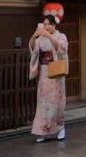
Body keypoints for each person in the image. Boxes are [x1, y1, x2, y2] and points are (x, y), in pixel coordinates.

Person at [29, 14, 69, 142]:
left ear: (53, 25)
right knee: (43, 102)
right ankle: (43, 131)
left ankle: (60, 128)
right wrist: (34, 36)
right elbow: (33, 49)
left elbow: (61, 50)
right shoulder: (41, 37)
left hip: (56, 72)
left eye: (47, 24)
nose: (45, 26)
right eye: (44, 24)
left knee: (56, 102)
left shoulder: (61, 36)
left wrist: (48, 36)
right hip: (45, 72)